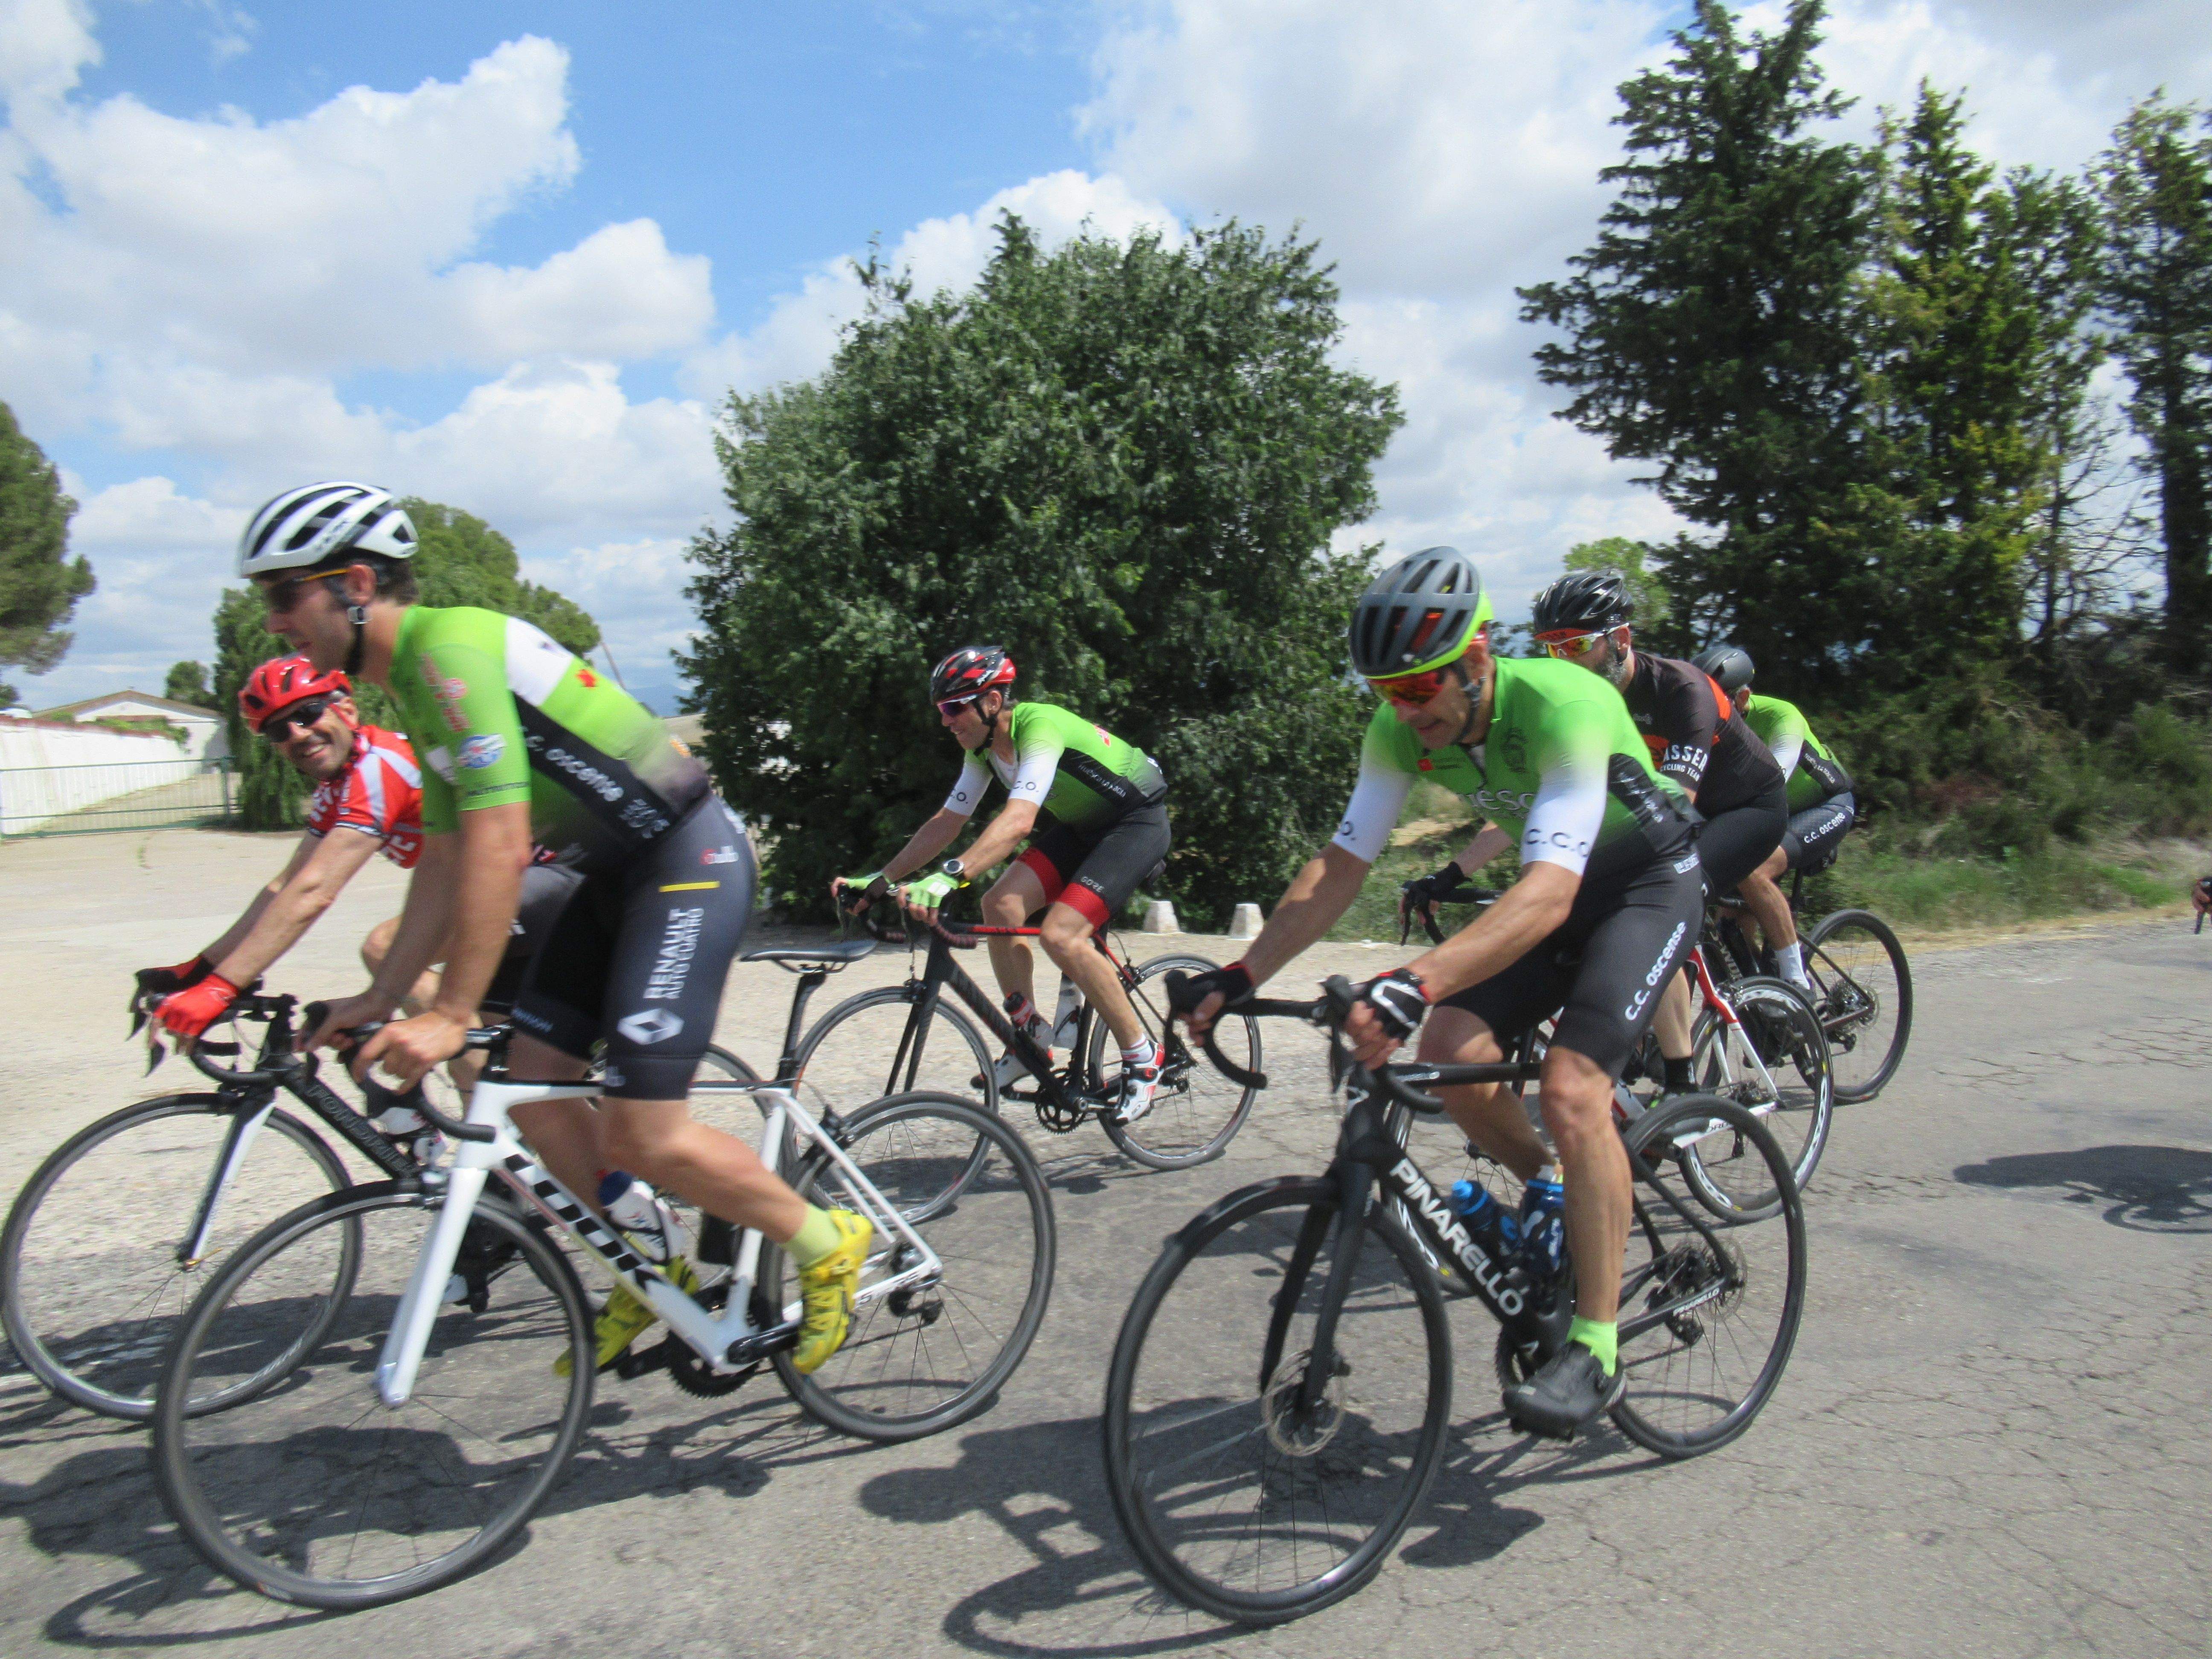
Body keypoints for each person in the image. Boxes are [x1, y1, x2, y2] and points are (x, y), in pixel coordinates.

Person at [241, 478, 867, 1378]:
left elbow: (499, 843)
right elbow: (447, 865)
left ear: (356, 584)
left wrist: (453, 1011)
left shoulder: (448, 649)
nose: (273, 622)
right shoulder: (412, 683)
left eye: (282, 596)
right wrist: (383, 995)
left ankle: (824, 1237)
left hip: (686, 863)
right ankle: (656, 1261)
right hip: (611, 877)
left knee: (643, 1134)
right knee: (537, 1091)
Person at [1180, 547, 1705, 1436]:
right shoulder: (1397, 728)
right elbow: (1342, 867)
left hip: (1644, 883)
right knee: (1450, 1052)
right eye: (1387, 691)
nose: (1404, 710)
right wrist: (1240, 974)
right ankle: (1557, 1192)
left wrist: (1408, 984)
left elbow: (1548, 892)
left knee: (1576, 1090)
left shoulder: (1566, 704)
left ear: (1476, 660)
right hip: (1558, 887)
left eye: (1420, 689)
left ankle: (1599, 1349)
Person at [833, 646, 1174, 1121]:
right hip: (1083, 828)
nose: (946, 721)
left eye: (954, 708)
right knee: (1000, 905)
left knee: (1061, 936)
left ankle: (1143, 1057)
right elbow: (948, 821)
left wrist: (951, 876)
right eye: (941, 710)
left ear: (992, 702)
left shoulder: (1039, 727)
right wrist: (883, 879)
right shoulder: (982, 750)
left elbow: (1018, 822)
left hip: (1135, 824)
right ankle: (1031, 1035)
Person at [1528, 572, 1786, 1092]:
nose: (1564, 663)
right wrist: (1458, 868)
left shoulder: (1680, 689)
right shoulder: (1581, 706)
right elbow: (1542, 797)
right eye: (1550, 650)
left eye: (1576, 645)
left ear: (1621, 640)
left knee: (1662, 898)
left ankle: (1683, 1085)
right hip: (1675, 817)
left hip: (1746, 808)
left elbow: (1675, 802)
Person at [141, 655, 426, 1042]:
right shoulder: (337, 786)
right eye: (278, 731)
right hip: (476, 892)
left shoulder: (380, 765)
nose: (297, 734)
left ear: (347, 709)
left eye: (308, 714)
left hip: (519, 880)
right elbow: (287, 886)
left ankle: (480, 1078)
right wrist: (202, 969)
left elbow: (316, 890)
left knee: (385, 949)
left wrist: (220, 989)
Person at [1691, 644, 1856, 991]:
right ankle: (1761, 996)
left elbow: (1772, 779)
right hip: (1765, 817)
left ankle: (1796, 983)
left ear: (1744, 697)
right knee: (1728, 924)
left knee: (1754, 870)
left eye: (1719, 700)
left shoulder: (1783, 716)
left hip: (1823, 806)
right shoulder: (1704, 727)